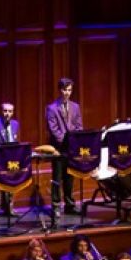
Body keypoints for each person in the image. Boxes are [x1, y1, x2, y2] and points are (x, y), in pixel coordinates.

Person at [45, 77, 83, 216]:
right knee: (57, 177)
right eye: (65, 90)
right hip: (58, 149)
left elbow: (79, 126)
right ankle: (55, 206)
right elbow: (53, 129)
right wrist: (66, 142)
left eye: (69, 90)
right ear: (60, 90)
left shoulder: (75, 106)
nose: (67, 93)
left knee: (69, 177)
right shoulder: (51, 108)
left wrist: (75, 142)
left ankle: (70, 205)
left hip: (71, 148)